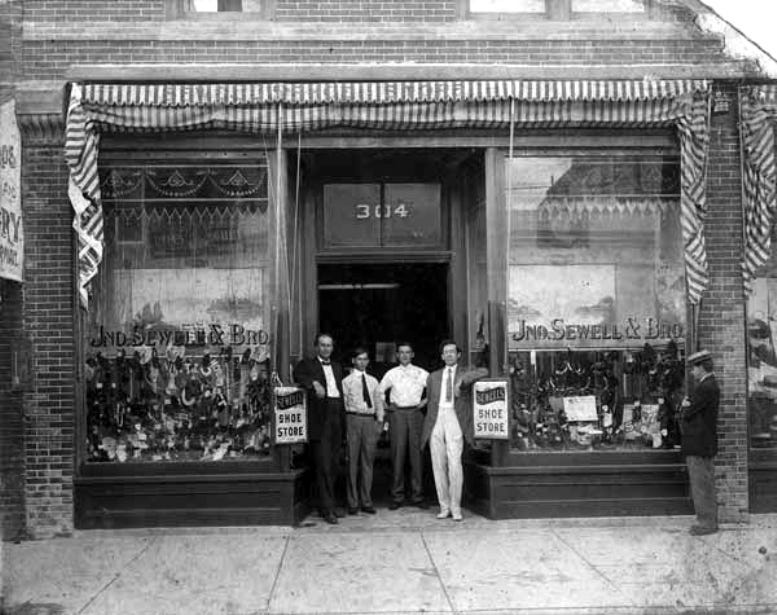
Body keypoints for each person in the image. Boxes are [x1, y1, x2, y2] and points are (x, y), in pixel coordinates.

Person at [421, 340, 488, 521]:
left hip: (454, 416)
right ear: (442, 356)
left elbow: (485, 371)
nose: (449, 355)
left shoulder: (466, 371)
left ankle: (455, 506)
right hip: (436, 418)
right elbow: (430, 400)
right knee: (438, 463)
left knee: (454, 462)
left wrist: (461, 382)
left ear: (458, 355)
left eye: (452, 352)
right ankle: (444, 506)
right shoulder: (433, 376)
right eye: (446, 352)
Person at [293, 333, 345, 525]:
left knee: (333, 464)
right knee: (322, 465)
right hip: (320, 419)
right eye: (322, 345)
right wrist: (314, 383)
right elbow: (297, 375)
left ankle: (329, 503)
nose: (325, 348)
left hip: (336, 416)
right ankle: (326, 508)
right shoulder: (307, 364)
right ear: (316, 347)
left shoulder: (338, 367)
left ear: (332, 348)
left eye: (329, 345)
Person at [378, 342, 429, 510]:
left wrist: (425, 401)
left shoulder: (421, 372)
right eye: (401, 352)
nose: (405, 355)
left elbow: (435, 389)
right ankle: (397, 496)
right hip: (397, 414)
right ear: (397, 355)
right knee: (397, 454)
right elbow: (378, 391)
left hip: (415, 413)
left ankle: (417, 495)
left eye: (408, 352)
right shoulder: (392, 373)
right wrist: (386, 405)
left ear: (412, 354)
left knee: (416, 455)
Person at [681, 349, 720, 536]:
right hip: (704, 443)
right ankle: (709, 521)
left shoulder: (705, 387)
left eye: (694, 369)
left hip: (699, 444)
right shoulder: (710, 385)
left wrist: (685, 405)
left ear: (702, 368)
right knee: (706, 484)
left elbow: (688, 412)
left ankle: (706, 523)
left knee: (701, 485)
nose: (692, 373)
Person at [342, 347, 385, 515]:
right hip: (353, 418)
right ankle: (353, 502)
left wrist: (380, 421)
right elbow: (344, 403)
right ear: (353, 361)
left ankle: (366, 500)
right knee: (352, 461)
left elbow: (379, 402)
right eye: (359, 359)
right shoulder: (346, 381)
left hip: (369, 420)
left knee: (368, 461)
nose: (362, 362)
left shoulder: (374, 381)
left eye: (365, 359)